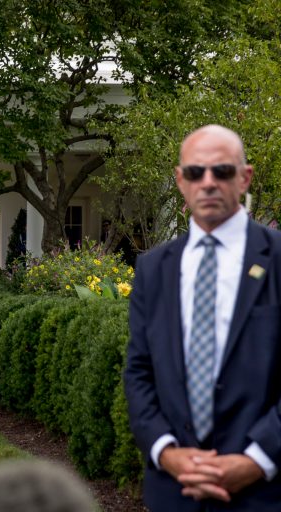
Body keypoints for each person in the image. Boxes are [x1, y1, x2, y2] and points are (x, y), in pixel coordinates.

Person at [124, 124, 281, 510]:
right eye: (195, 172)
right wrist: (168, 453)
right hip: (174, 491)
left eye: (222, 171)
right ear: (180, 181)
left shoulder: (278, 259)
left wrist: (257, 460)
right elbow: (139, 371)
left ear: (245, 178)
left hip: (264, 493)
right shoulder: (152, 269)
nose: (207, 182)